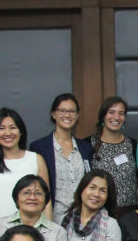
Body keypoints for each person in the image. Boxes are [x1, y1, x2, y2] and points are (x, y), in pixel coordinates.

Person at [0, 108, 50, 241]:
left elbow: (46, 201)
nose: (7, 133)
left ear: (21, 131)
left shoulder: (36, 159)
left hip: (30, 237)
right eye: (1, 128)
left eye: (12, 127)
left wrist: (48, 235)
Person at [29, 93, 93, 224]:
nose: (67, 115)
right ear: (53, 114)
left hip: (83, 217)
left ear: (77, 115)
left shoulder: (86, 147)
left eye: (72, 111)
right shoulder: (40, 147)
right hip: (53, 218)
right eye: (62, 111)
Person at [61, 170, 122, 241]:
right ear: (82, 190)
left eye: (102, 190)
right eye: (92, 188)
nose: (96, 194)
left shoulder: (111, 224)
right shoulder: (67, 220)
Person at [90, 96, 138, 211]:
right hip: (99, 211)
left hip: (130, 211)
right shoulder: (88, 144)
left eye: (121, 113)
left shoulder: (132, 144)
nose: (116, 117)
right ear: (103, 116)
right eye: (111, 112)